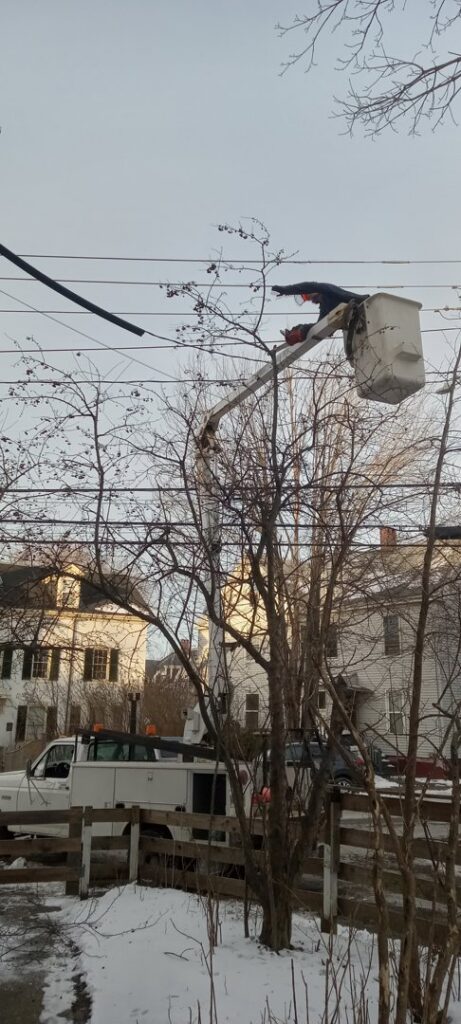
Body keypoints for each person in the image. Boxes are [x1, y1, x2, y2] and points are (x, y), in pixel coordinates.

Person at [272, 281, 369, 346]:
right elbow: (319, 326)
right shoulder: (325, 307)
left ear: (312, 291)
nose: (310, 300)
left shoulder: (327, 291)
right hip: (358, 322)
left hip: (364, 306)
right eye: (306, 299)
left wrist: (285, 290)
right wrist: (300, 332)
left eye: (307, 296)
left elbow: (309, 286)